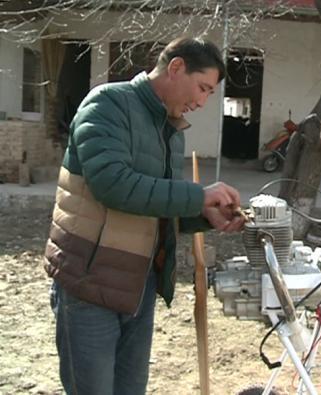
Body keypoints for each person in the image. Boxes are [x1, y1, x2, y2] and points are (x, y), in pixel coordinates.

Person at [44, 37, 246, 394]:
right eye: (202, 88)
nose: (201, 102)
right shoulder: (108, 104)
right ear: (176, 67)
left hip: (138, 286)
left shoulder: (171, 127)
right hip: (89, 285)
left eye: (209, 94)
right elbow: (113, 185)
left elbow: (154, 204)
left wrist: (205, 216)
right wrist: (197, 196)